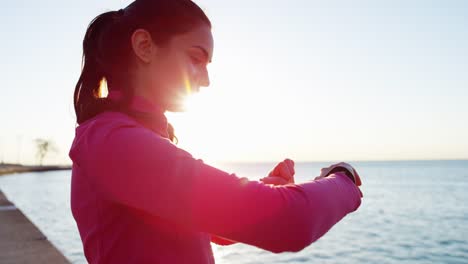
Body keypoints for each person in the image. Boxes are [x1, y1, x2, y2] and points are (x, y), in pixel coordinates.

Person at [68, 0, 363, 263]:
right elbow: (290, 222)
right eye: (196, 58)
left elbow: (198, 226)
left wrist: (263, 189)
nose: (206, 79)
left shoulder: (133, 138)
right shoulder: (114, 142)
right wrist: (342, 179)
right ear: (144, 46)